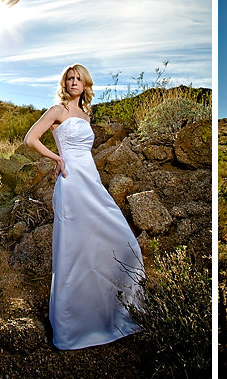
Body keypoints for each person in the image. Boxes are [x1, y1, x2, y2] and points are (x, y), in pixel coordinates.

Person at [24, 63, 144, 350]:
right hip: (71, 183)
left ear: (86, 84)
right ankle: (72, 327)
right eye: (69, 78)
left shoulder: (86, 114)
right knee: (74, 251)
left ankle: (113, 311)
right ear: (64, 83)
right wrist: (57, 159)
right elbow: (30, 138)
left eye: (78, 78)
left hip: (91, 180)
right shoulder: (58, 111)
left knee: (119, 239)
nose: (74, 82)